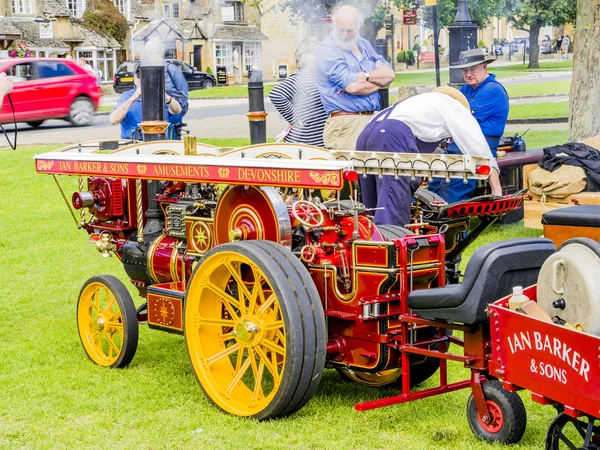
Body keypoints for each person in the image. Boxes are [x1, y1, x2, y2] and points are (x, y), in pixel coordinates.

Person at [358, 87, 502, 227]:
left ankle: (367, 243)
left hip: (366, 134)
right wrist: (497, 192)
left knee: (372, 209)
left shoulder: (413, 105)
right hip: (392, 136)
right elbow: (479, 149)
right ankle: (389, 245)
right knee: (392, 205)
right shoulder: (453, 106)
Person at [429, 48, 508, 203]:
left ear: (484, 66)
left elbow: (460, 118)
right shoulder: (467, 89)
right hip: (459, 145)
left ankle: (456, 226)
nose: (468, 74)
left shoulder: (493, 89)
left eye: (473, 69)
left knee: (452, 189)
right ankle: (433, 225)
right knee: (435, 184)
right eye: (465, 70)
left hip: (476, 148)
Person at [314, 4, 395, 151]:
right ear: (334, 24)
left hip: (372, 119)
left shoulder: (364, 44)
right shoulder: (327, 49)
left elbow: (390, 74)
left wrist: (364, 76)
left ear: (359, 26)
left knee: (372, 172)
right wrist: (379, 81)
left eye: (350, 31)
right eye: (341, 30)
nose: (345, 35)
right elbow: (354, 87)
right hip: (346, 124)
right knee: (352, 172)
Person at [269, 38, 328, 147]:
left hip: (314, 141)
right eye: (312, 53)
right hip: (305, 142)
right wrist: (295, 119)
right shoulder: (302, 77)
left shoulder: (318, 78)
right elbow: (276, 94)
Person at [109, 66, 182, 140]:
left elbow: (177, 110)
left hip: (160, 143)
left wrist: (167, 99)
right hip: (134, 144)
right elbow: (114, 120)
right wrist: (133, 98)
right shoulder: (126, 96)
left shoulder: (161, 94)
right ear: (135, 79)